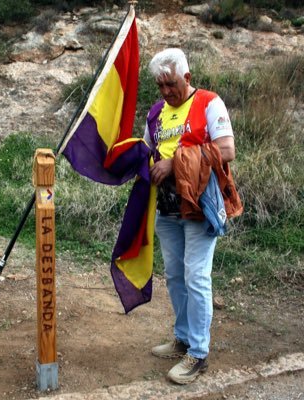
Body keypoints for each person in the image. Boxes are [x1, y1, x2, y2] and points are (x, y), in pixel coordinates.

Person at [143, 48, 240, 384]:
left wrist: (176, 162)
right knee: (174, 276)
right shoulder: (155, 113)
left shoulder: (209, 103)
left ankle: (198, 355)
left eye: (171, 84)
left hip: (199, 206)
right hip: (166, 208)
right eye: (160, 86)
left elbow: (227, 149)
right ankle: (183, 338)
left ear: (186, 77)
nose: (166, 92)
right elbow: (146, 152)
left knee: (196, 277)